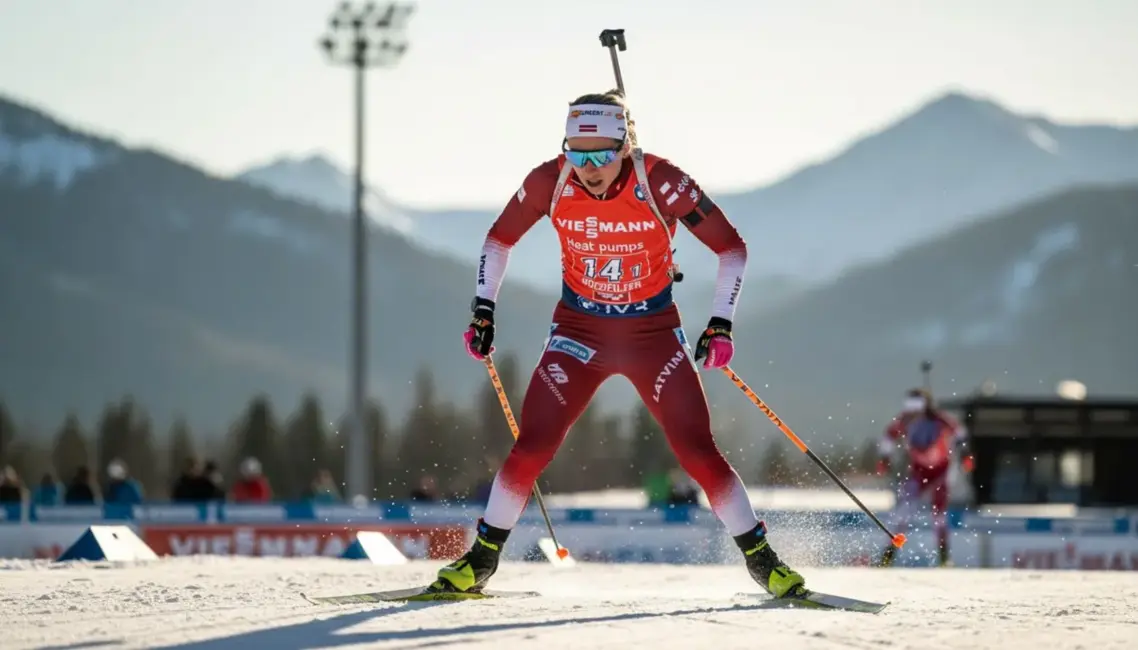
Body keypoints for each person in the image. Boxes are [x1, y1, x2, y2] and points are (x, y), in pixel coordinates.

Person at [429, 88, 806, 599]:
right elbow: (499, 239)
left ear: (625, 145)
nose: (588, 167)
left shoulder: (663, 183)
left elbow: (732, 250)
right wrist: (483, 309)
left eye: (602, 154)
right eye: (576, 153)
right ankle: (481, 560)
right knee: (532, 445)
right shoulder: (551, 180)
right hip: (579, 333)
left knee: (696, 449)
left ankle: (764, 562)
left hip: (652, 335)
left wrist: (721, 323)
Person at [876, 388, 973, 567]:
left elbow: (960, 433)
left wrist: (966, 454)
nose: (913, 415)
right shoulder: (904, 421)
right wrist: (884, 458)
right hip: (919, 471)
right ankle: (888, 555)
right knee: (903, 512)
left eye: (917, 411)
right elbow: (889, 436)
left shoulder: (939, 419)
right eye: (911, 411)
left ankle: (944, 557)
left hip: (941, 471)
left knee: (939, 516)